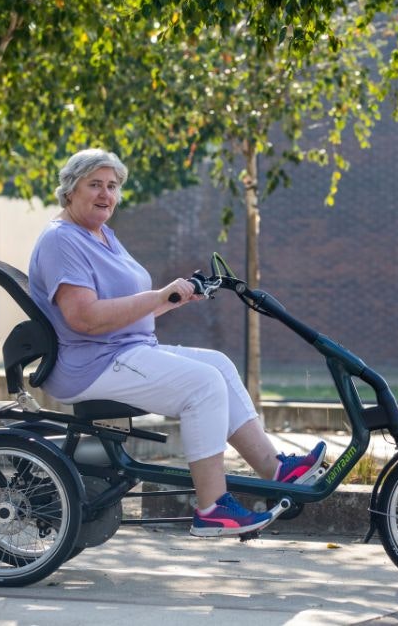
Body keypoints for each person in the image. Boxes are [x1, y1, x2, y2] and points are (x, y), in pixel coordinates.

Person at [29, 148, 326, 537]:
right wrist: (158, 296)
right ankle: (212, 508)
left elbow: (126, 310)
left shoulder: (101, 235)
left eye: (113, 186)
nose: (106, 194)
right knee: (202, 385)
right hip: (91, 363)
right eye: (95, 185)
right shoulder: (62, 241)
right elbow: (83, 318)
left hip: (123, 351)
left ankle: (276, 470)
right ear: (70, 190)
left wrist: (173, 299)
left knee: (217, 364)